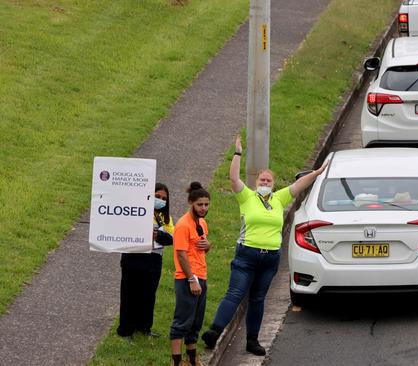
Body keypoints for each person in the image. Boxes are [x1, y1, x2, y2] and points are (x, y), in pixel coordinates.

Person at [201, 135, 329, 355]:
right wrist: (238, 153)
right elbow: (233, 179)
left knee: (258, 298)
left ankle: (252, 341)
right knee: (235, 293)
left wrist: (316, 173)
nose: (265, 184)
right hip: (246, 255)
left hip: (269, 258)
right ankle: (214, 332)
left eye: (269, 181)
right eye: (262, 181)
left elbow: (299, 185)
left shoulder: (279, 199)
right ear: (256, 183)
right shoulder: (247, 197)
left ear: (274, 184)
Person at [117, 182, 174, 338]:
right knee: (129, 295)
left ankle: (144, 328)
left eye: (164, 198)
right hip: (134, 258)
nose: (160, 200)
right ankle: (125, 330)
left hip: (154, 261)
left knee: (148, 296)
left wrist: (158, 235)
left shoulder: (167, 218)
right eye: (157, 197)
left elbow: (171, 238)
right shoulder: (137, 211)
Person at [169, 182, 212, 366]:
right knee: (182, 321)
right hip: (187, 279)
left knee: (196, 322)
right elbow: (181, 254)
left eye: (206, 204)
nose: (203, 208)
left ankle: (193, 359)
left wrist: (208, 246)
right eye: (199, 204)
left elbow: (200, 249)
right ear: (190, 203)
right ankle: (177, 362)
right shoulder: (183, 225)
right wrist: (191, 279)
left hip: (201, 276)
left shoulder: (201, 223)